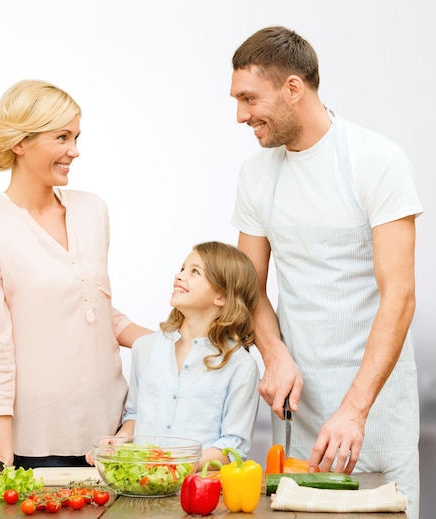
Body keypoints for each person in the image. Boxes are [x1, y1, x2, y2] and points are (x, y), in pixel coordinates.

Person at [229, 26, 422, 518]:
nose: (240, 115)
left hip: (374, 404)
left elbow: (399, 295)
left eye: (250, 98)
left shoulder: (375, 161)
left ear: (293, 88)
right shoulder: (256, 176)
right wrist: (273, 355)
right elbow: (247, 284)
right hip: (298, 404)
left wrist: (355, 410)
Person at [0, 79, 152, 485]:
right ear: (20, 143)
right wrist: (3, 456)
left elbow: (93, 306)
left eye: (77, 137)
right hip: (39, 444)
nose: (75, 151)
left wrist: (167, 344)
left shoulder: (92, 211)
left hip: (115, 435)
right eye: (62, 137)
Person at [92, 241, 261, 469]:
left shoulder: (241, 365)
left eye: (194, 271)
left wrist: (174, 466)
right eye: (182, 268)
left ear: (220, 296)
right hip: (142, 484)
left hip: (200, 492)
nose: (179, 276)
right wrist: (119, 441)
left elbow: (232, 446)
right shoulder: (145, 349)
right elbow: (134, 415)